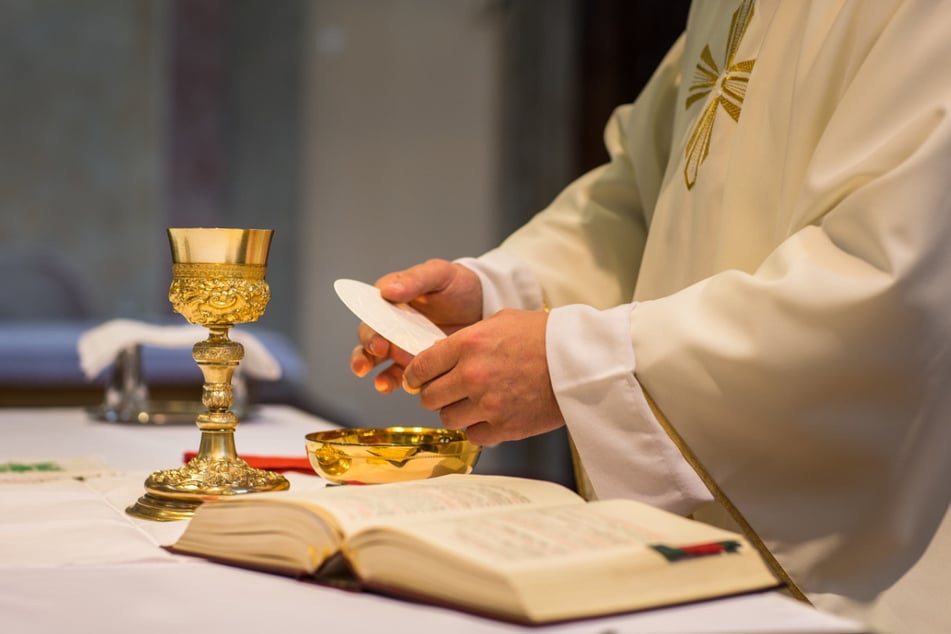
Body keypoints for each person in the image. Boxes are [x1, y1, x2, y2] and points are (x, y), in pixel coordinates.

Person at [347, 1, 951, 631]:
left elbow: (889, 284)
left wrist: (571, 361)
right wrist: (498, 293)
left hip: (865, 560)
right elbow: (648, 198)